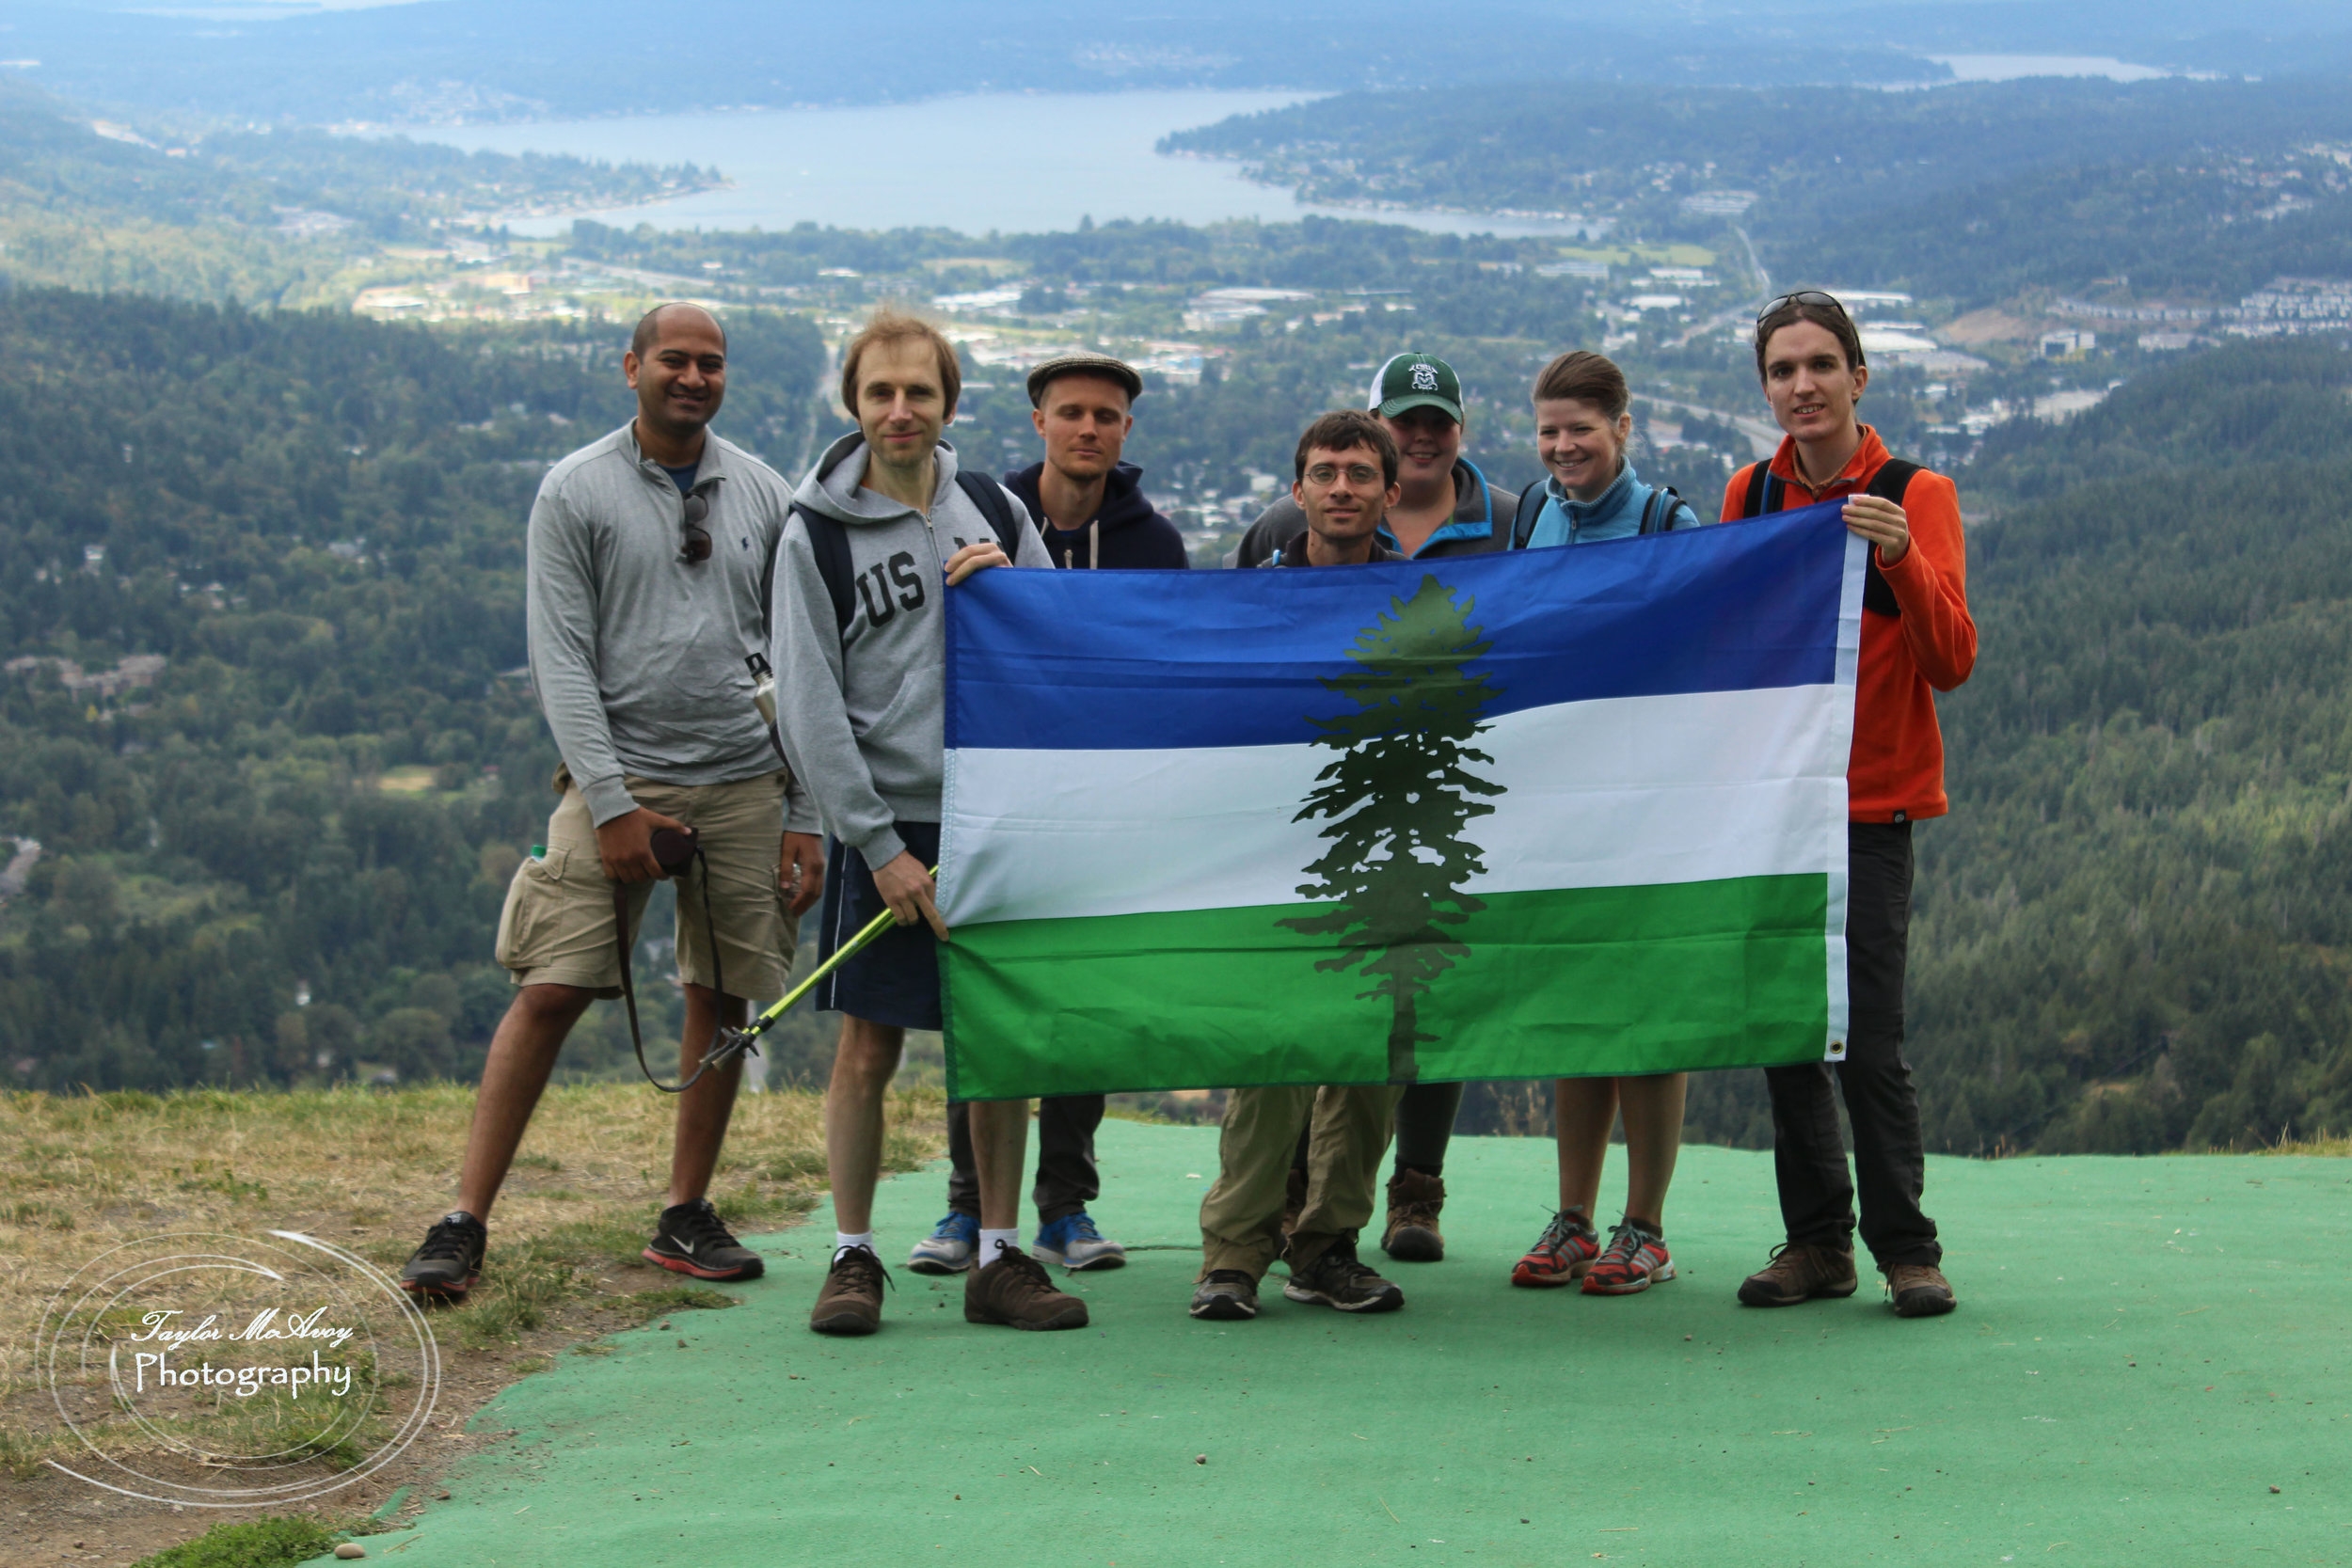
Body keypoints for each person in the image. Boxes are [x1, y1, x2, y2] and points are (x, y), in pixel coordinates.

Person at [398, 303, 826, 1301]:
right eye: (673, 360)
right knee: (549, 987)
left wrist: (804, 809)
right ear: (630, 366)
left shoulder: (762, 491)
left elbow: (803, 661)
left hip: (743, 778)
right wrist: (609, 801)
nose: (693, 377)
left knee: (721, 998)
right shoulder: (575, 490)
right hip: (616, 779)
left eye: (710, 363)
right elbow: (561, 658)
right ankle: (463, 1219)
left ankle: (685, 1211)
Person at [771, 309, 1084, 1336]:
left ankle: (1001, 1253)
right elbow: (811, 707)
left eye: (919, 391)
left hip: (994, 810)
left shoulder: (993, 505)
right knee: (868, 1042)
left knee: (997, 1045)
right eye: (878, 393)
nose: (899, 411)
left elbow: (1065, 642)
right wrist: (879, 846)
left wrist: (1008, 589)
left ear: (949, 399)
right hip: (888, 820)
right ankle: (852, 1254)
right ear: (851, 403)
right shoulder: (812, 531)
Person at [1232, 353, 1519, 1266]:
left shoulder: (1499, 535)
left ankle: (1373, 1215)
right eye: (1331, 471)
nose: (1346, 487)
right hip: (1289, 832)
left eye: (1436, 419)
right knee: (1282, 1034)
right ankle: (1256, 1229)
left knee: (1397, 1027)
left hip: (1413, 831)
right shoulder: (1270, 552)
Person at [1723, 290, 1976, 1319]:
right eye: (1781, 370)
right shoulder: (1747, 492)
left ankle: (1906, 1248)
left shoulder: (1918, 491)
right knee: (1788, 1034)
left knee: (1867, 1040)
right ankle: (1817, 1243)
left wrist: (1899, 556)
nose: (1800, 386)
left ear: (1857, 377)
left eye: (1819, 365)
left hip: (1872, 807)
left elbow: (1950, 660)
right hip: (1772, 808)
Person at [905, 351, 1181, 1278]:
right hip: (997, 798)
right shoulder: (975, 516)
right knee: (983, 999)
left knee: (1078, 1006)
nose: (1089, 429)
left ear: (1126, 430)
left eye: (1106, 415)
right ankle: (965, 1205)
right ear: (1038, 420)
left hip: (1103, 806)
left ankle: (1065, 1203)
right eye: (1071, 412)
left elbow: (1158, 668)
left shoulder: (1153, 543)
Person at [1192, 409, 1413, 1323]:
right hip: (1275, 859)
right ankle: (1233, 1254)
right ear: (1298, 490)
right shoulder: (1256, 601)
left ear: (1390, 493)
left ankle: (1326, 1246)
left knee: (1370, 1066)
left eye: (1361, 474)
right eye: (1325, 472)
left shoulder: (1424, 600)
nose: (1342, 488)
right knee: (1268, 1061)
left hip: (1390, 859)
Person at [1503, 350, 1704, 1298]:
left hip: (1649, 802)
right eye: (1548, 430)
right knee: (1574, 1013)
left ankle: (1645, 1227)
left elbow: (1714, 644)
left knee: (1645, 1022)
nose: (1562, 446)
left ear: (1623, 428)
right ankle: (1574, 1218)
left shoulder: (1668, 521)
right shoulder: (1532, 514)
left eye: (1579, 428)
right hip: (1556, 803)